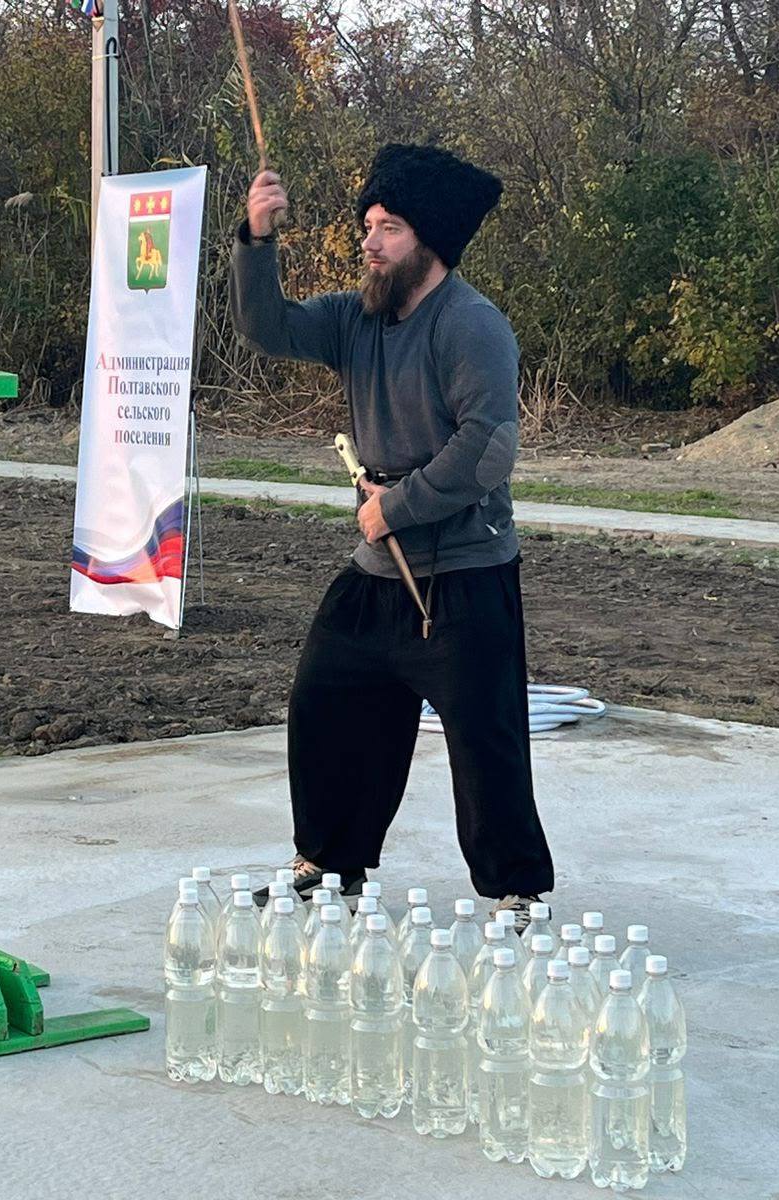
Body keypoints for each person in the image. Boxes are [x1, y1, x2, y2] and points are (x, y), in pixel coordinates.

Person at [232, 143, 554, 929]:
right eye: (368, 226)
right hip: (377, 569)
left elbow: (488, 448)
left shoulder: (472, 324)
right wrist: (257, 239)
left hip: (464, 570)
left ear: (430, 242)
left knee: (486, 741)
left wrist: (395, 506)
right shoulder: (357, 317)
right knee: (326, 701)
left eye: (389, 229)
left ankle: (518, 893)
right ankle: (329, 861)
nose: (370, 243)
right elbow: (266, 328)